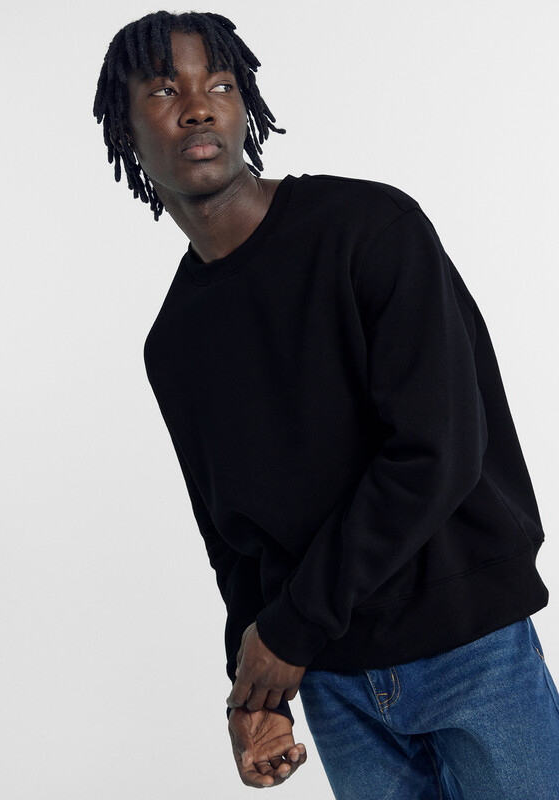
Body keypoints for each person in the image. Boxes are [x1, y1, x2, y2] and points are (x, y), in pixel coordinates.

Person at [93, 11, 559, 798]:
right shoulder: (173, 344)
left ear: (245, 107)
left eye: (220, 84)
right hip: (334, 683)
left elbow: (437, 453)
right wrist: (255, 698)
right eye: (166, 90)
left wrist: (290, 630)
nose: (199, 107)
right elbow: (236, 546)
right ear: (123, 127)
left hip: (470, 647)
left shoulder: (370, 230)